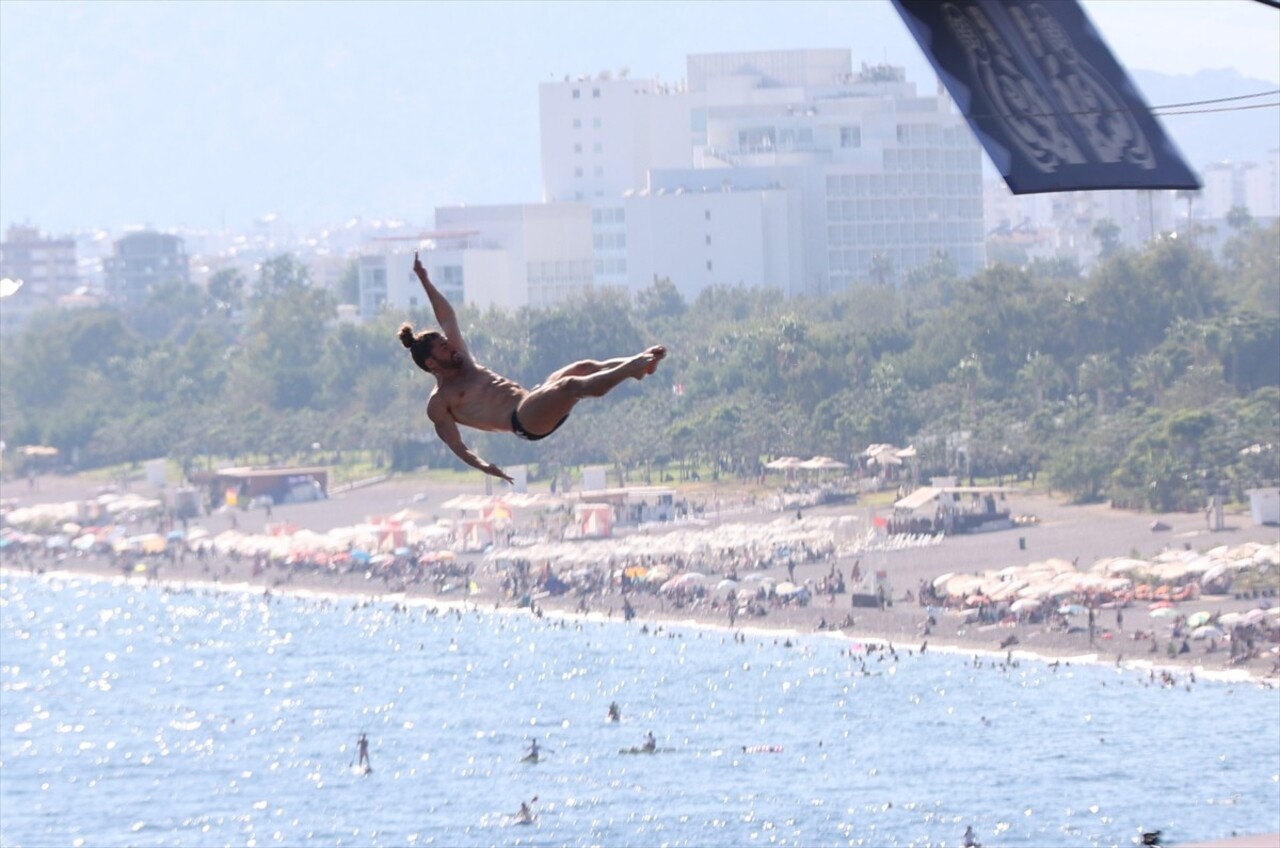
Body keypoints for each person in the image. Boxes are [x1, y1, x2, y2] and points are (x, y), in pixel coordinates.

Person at [399, 252, 667, 482]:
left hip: (532, 398)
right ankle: (632, 368)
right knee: (570, 386)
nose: (451, 347)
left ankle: (641, 365)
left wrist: (424, 280)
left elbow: (447, 317)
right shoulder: (440, 401)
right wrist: (484, 466)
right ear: (432, 363)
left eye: (448, 343)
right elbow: (455, 444)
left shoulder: (462, 359)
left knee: (583, 368)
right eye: (444, 348)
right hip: (524, 422)